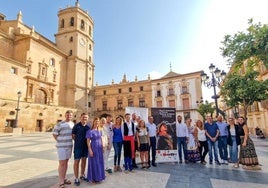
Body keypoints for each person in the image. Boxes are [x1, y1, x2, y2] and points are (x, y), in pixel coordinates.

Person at [52, 110, 74, 188]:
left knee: (66, 162)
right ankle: (61, 181)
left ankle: (64, 178)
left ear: (72, 116)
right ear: (65, 115)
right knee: (62, 163)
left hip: (69, 146)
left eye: (70, 115)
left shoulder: (72, 124)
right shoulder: (60, 124)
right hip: (61, 147)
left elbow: (73, 135)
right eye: (68, 115)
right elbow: (54, 134)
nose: (69, 116)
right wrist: (60, 141)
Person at [72, 113, 90, 186]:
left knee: (84, 161)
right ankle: (76, 178)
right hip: (78, 147)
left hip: (85, 147)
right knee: (76, 162)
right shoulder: (76, 126)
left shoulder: (88, 127)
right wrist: (78, 141)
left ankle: (82, 175)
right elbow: (73, 136)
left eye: (86, 118)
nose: (84, 119)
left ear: (87, 119)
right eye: (83, 117)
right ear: (80, 118)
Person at [86, 118, 105, 183]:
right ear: (93, 122)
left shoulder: (100, 130)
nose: (97, 123)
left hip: (99, 148)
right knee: (94, 163)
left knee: (99, 162)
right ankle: (93, 178)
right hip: (93, 147)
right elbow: (88, 141)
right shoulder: (90, 131)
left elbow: (101, 139)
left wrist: (102, 147)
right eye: (95, 121)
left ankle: (99, 177)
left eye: (98, 122)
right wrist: (90, 150)